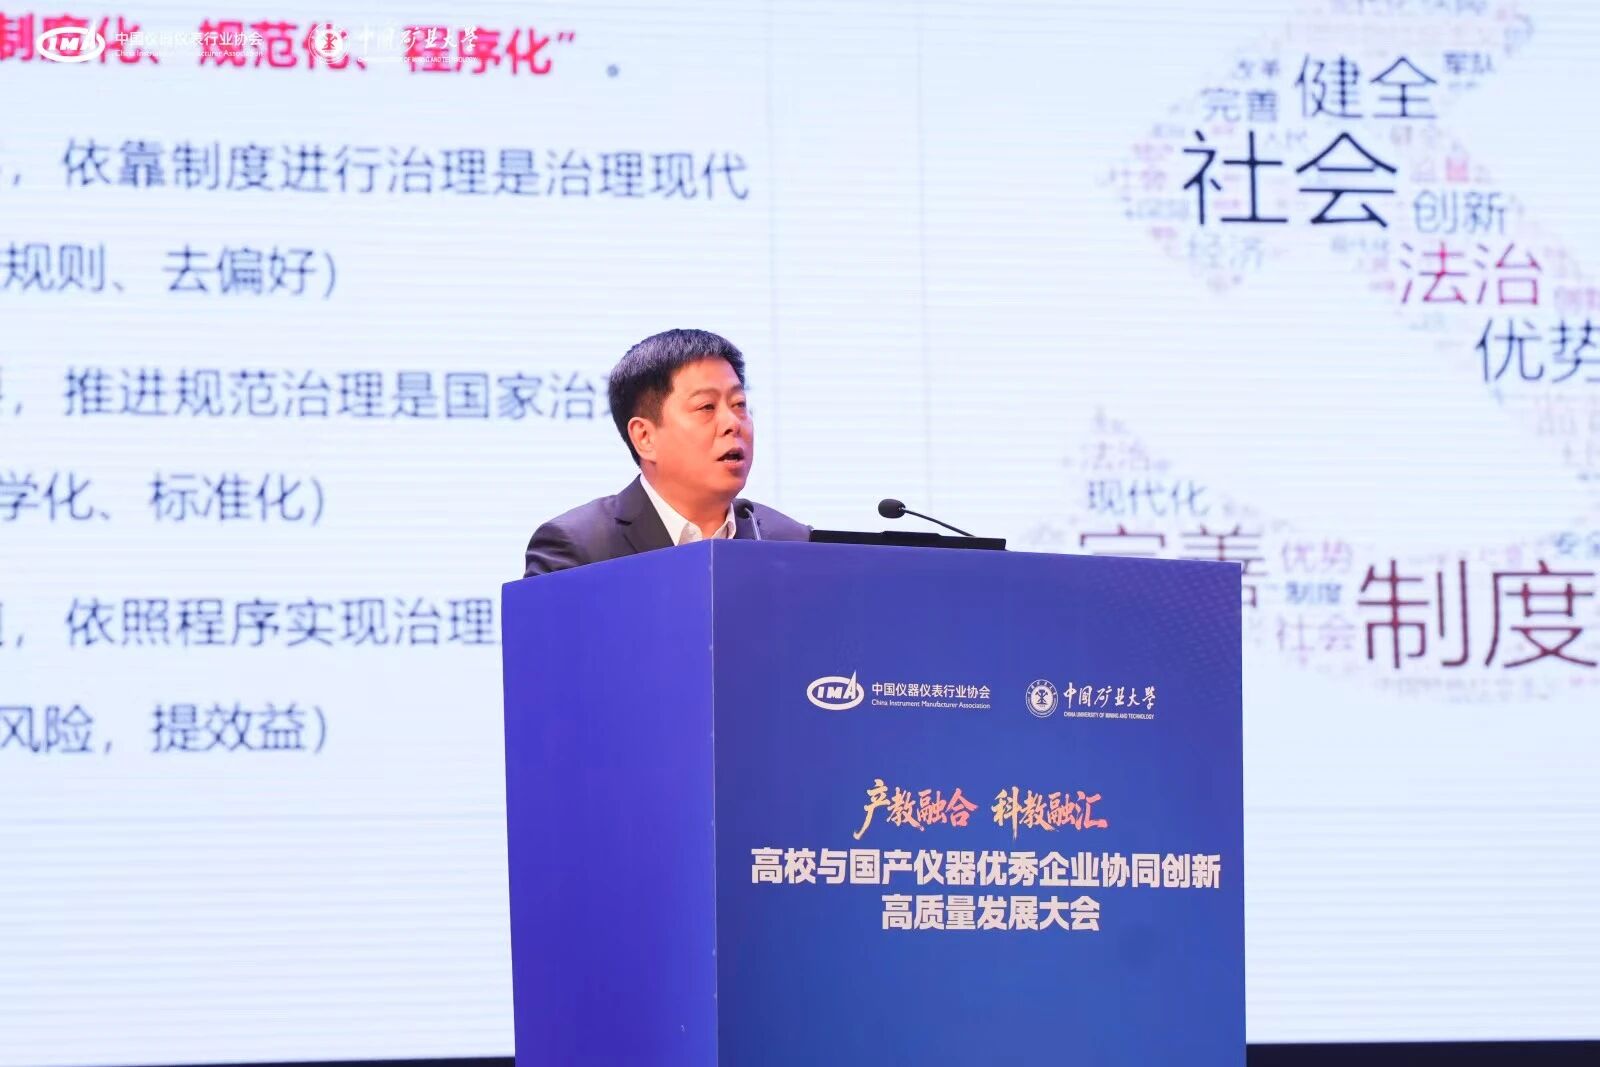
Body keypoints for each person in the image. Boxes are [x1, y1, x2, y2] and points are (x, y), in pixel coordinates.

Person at [523, 328, 810, 577]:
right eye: (706, 407)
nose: (732, 423)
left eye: (739, 404)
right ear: (645, 437)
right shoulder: (578, 550)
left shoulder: (791, 543)